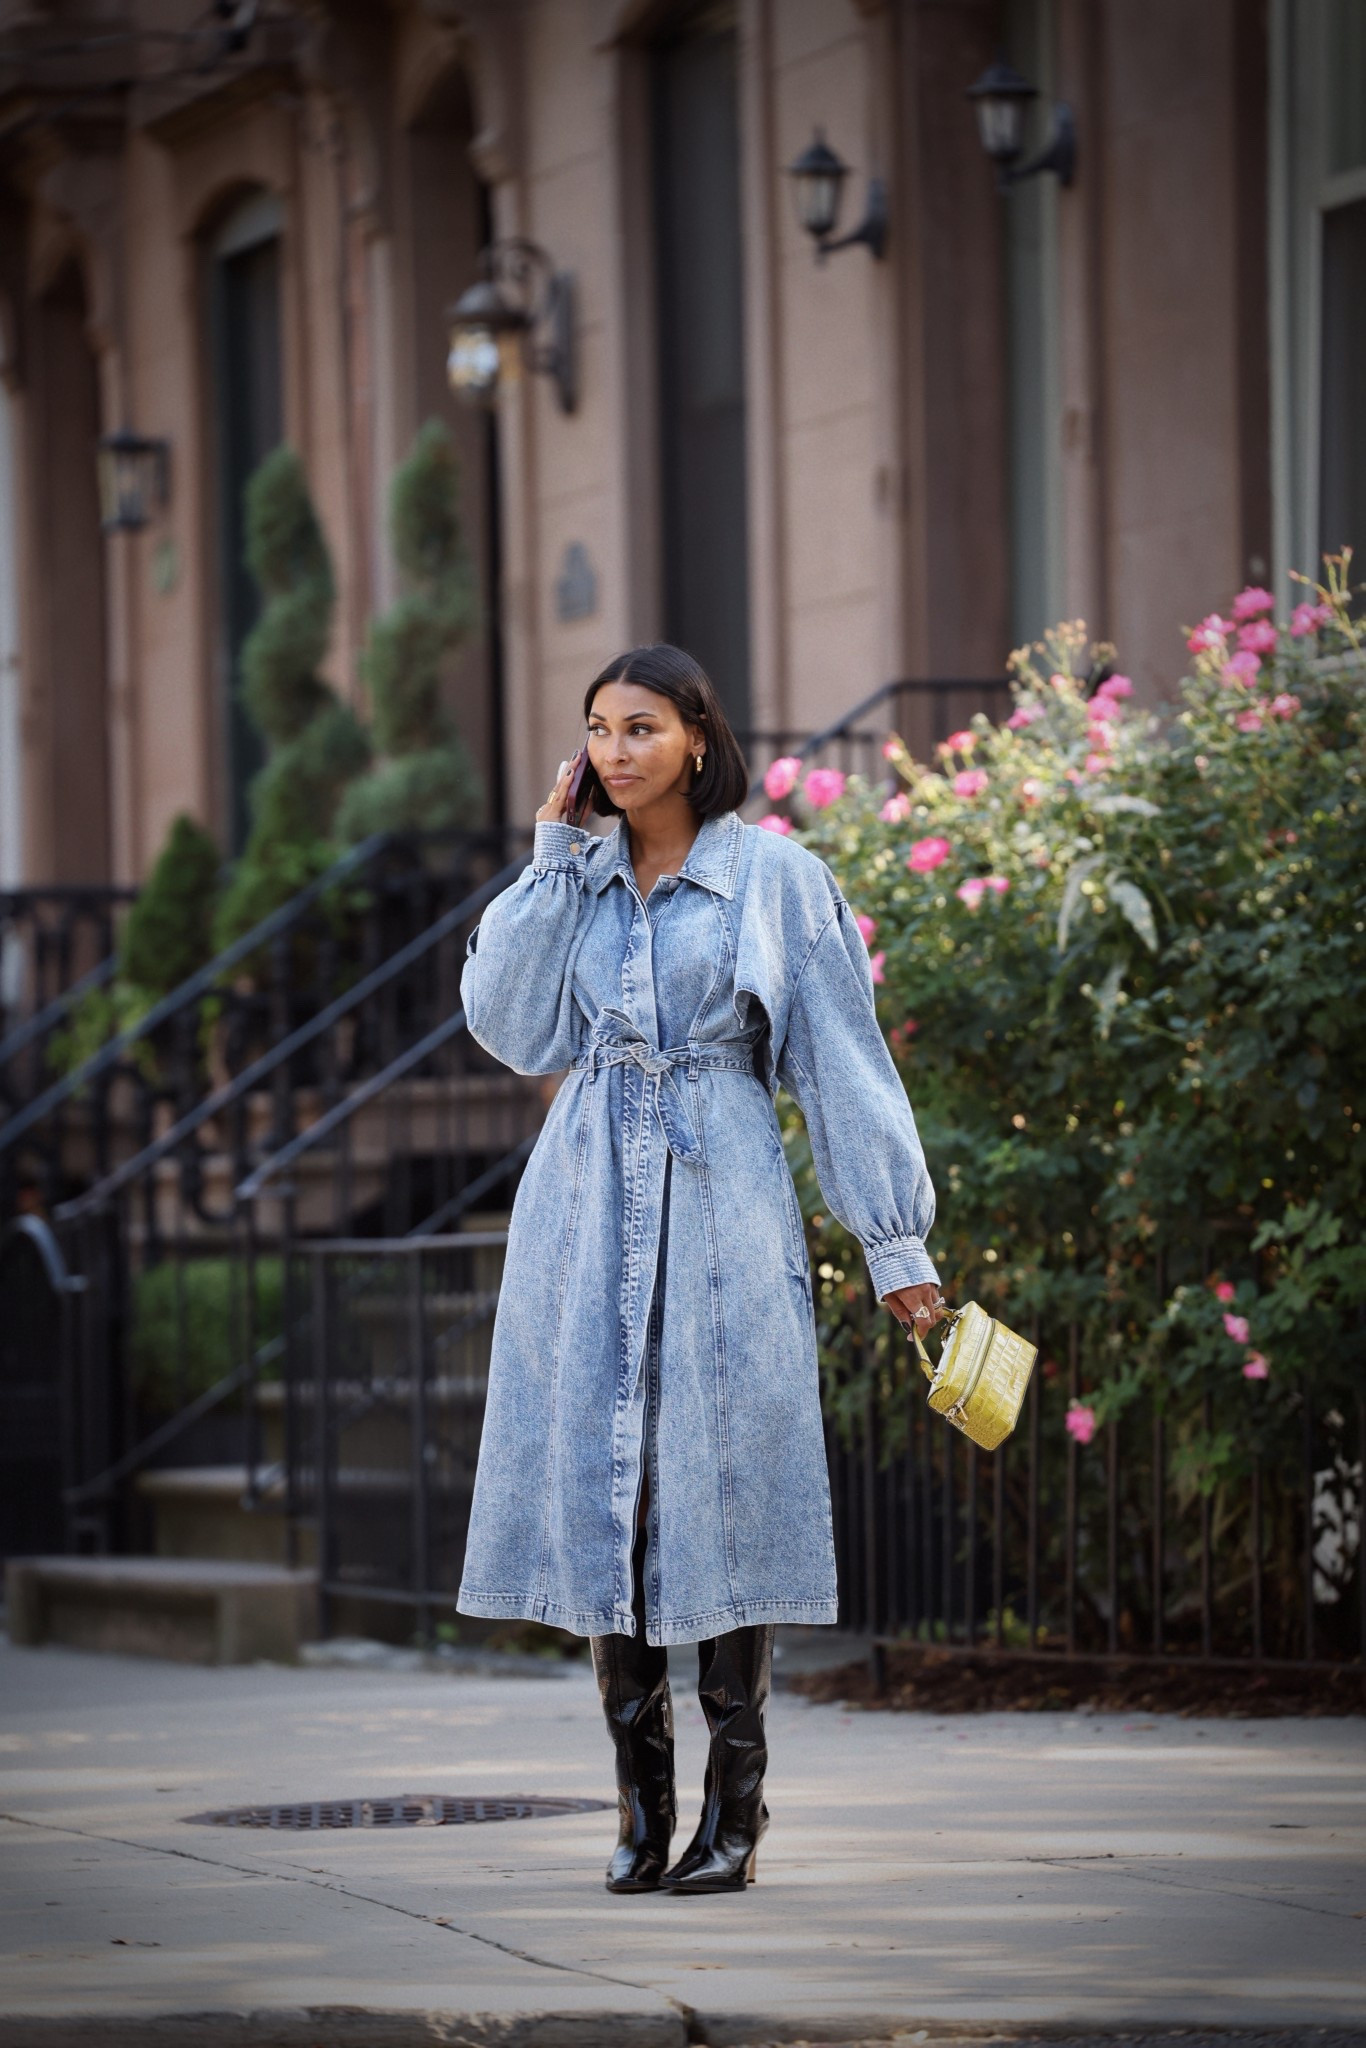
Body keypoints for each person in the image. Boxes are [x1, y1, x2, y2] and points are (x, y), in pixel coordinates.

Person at [456, 643, 942, 1894]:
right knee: (606, 1494)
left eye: (640, 727)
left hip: (721, 1197)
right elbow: (507, 1025)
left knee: (719, 1485)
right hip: (582, 1208)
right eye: (597, 729)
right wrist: (551, 855)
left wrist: (893, 1241)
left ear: (696, 739)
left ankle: (735, 1808)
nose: (614, 750)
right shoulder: (575, 879)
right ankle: (640, 1806)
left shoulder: (775, 878)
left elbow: (840, 1060)